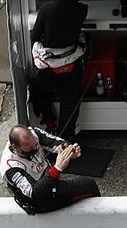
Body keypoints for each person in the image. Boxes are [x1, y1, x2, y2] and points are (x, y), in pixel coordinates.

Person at [0, 125, 100, 215]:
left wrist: (68, 148)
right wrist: (57, 168)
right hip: (39, 200)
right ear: (15, 148)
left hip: (49, 181)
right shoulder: (10, 167)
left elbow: (53, 141)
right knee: (89, 185)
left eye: (35, 144)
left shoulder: (34, 134)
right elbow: (35, 194)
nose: (35, 148)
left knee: (85, 186)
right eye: (29, 148)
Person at [27, 0, 89, 137]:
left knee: (37, 90)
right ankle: (65, 137)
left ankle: (49, 122)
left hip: (49, 68)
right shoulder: (82, 9)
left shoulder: (46, 10)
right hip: (72, 62)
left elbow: (34, 37)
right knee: (71, 100)